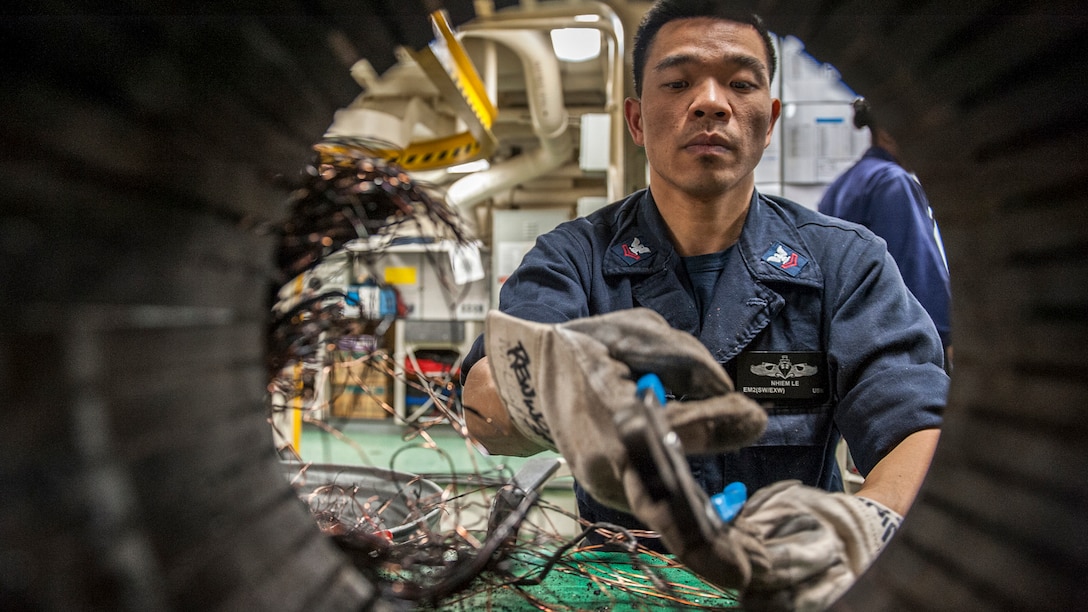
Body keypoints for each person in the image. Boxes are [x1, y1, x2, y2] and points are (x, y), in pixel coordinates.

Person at [460, 1, 948, 607]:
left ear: (768, 120)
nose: (711, 101)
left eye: (740, 82)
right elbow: (482, 398)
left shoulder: (847, 263)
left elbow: (917, 428)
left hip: (781, 582)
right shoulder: (573, 259)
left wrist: (862, 525)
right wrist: (560, 394)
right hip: (616, 588)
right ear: (637, 121)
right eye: (679, 81)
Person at [819, 97, 953, 365]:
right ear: (888, 132)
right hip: (900, 353)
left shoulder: (840, 186)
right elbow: (919, 276)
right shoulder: (892, 182)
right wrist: (947, 340)